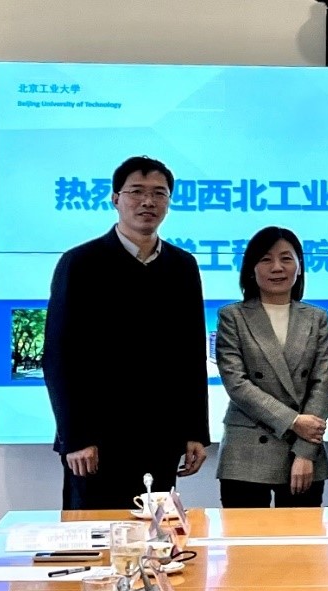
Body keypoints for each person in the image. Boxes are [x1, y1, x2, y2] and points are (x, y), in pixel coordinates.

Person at [43, 155, 210, 510]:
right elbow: (59, 356)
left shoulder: (182, 266)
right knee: (94, 534)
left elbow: (191, 353)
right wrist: (76, 436)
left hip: (160, 436)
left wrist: (196, 431)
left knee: (155, 531)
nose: (148, 201)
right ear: (115, 198)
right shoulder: (81, 262)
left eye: (159, 193)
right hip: (96, 442)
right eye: (136, 191)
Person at [214, 226, 328, 508]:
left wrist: (305, 452)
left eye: (286, 258)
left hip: (302, 450)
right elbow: (237, 384)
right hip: (246, 450)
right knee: (244, 535)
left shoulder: (317, 318)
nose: (277, 267)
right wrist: (293, 421)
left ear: (299, 266)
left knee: (301, 536)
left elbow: (322, 384)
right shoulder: (232, 316)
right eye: (266, 259)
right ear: (251, 269)